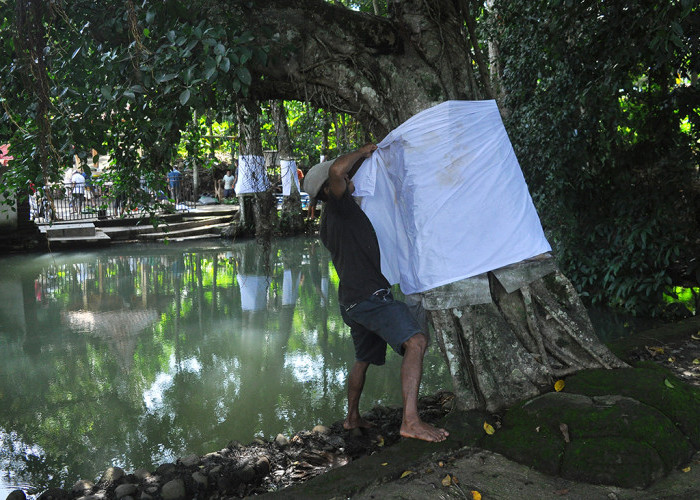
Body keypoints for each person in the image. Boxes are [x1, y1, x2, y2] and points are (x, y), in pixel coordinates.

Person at [303, 144, 449, 443]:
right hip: (370, 297)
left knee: (363, 359)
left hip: (351, 301)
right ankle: (410, 421)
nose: (351, 179)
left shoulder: (330, 221)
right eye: (343, 181)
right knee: (417, 341)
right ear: (329, 191)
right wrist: (364, 150)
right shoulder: (340, 208)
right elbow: (336, 171)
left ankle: (352, 417)